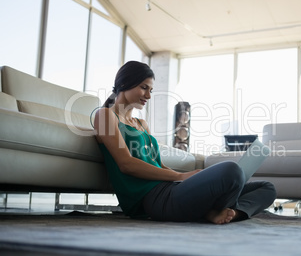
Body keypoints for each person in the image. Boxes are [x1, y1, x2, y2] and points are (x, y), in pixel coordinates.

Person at [92, 61, 276, 224]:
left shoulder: (141, 124)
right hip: (150, 199)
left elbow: (159, 165)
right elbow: (126, 164)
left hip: (169, 189)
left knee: (266, 188)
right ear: (125, 83)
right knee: (231, 170)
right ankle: (213, 209)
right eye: (144, 87)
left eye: (150, 90)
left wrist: (188, 176)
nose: (148, 95)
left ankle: (230, 213)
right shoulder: (106, 115)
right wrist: (179, 177)